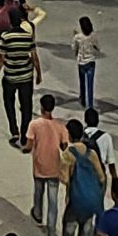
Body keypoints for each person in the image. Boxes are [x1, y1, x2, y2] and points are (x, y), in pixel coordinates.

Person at [0, 0, 40, 144]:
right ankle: (24, 134)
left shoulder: (6, 36)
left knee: (9, 103)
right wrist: (38, 73)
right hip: (26, 76)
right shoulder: (28, 37)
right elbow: (34, 57)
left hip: (10, 76)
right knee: (26, 106)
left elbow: (1, 58)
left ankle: (14, 131)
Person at [25, 94, 68, 227]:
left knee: (38, 192)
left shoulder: (34, 124)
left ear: (42, 107)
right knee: (53, 200)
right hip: (54, 166)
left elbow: (29, 146)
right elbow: (64, 146)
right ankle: (51, 229)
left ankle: (37, 214)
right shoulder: (60, 126)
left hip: (39, 164)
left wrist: (24, 149)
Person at [71, 15, 100, 114]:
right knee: (90, 84)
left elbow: (74, 48)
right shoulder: (93, 35)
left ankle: (83, 99)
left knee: (82, 82)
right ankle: (90, 105)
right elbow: (98, 47)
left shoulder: (78, 37)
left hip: (81, 62)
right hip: (91, 61)